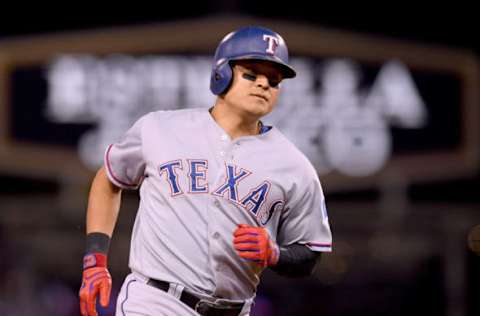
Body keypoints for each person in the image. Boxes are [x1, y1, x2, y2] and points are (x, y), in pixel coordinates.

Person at [79, 25, 333, 316]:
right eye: (251, 73)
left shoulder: (295, 165)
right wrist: (95, 259)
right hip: (155, 301)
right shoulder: (159, 128)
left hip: (235, 309)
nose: (264, 84)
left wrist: (276, 254)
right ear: (221, 74)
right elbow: (109, 179)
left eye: (274, 81)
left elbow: (309, 255)